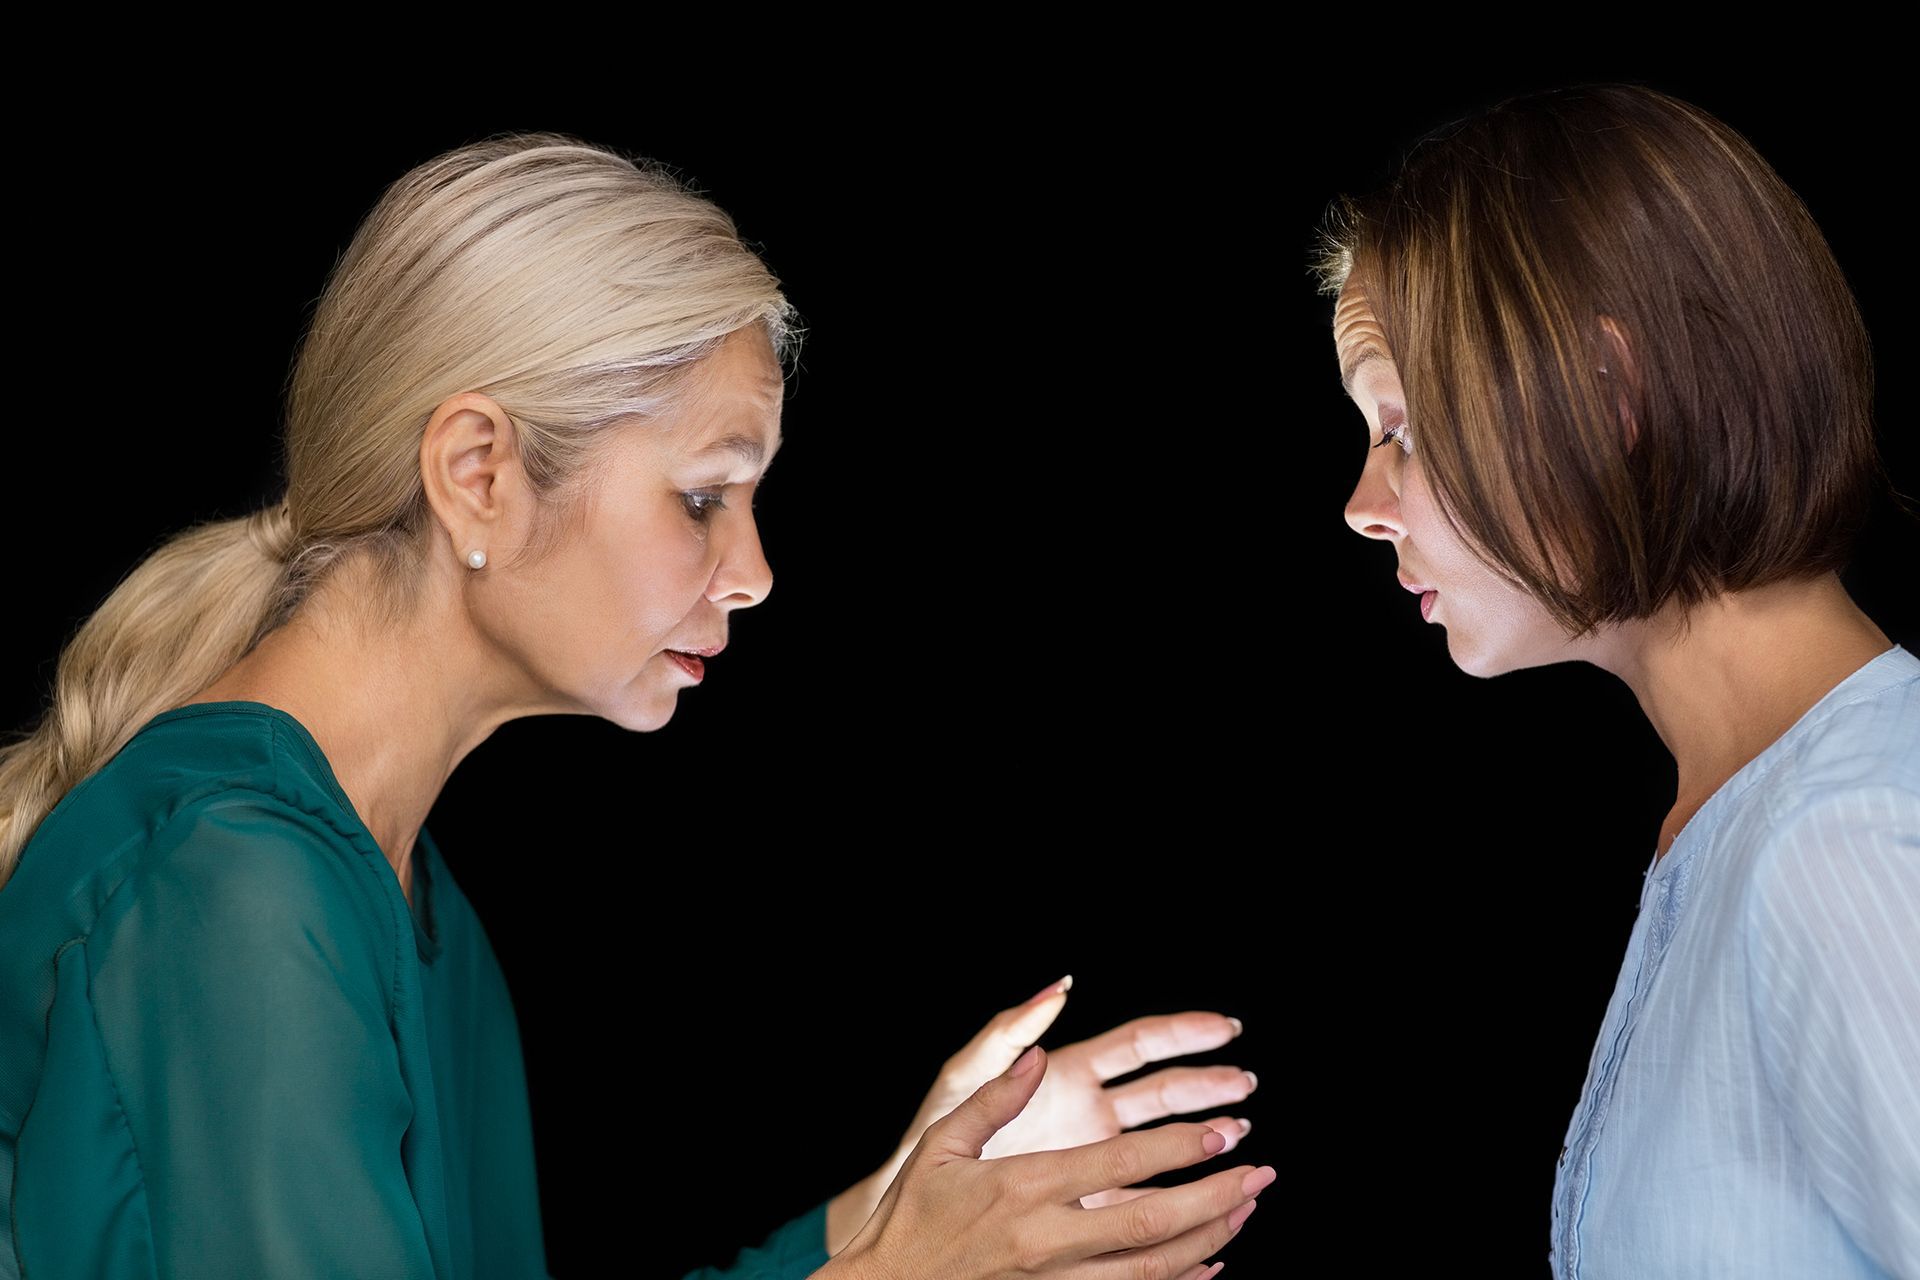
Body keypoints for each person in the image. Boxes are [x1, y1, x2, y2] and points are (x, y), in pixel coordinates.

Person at [0, 131, 1271, 1280]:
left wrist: (894, 1207)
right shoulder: (237, 887)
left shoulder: (408, 906)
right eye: (705, 495)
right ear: (478, 474)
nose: (758, 571)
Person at [1311, 83, 1919, 1278]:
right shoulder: (1735, 826)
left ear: (1608, 392)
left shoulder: (1847, 843)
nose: (1362, 505)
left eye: (1407, 429)